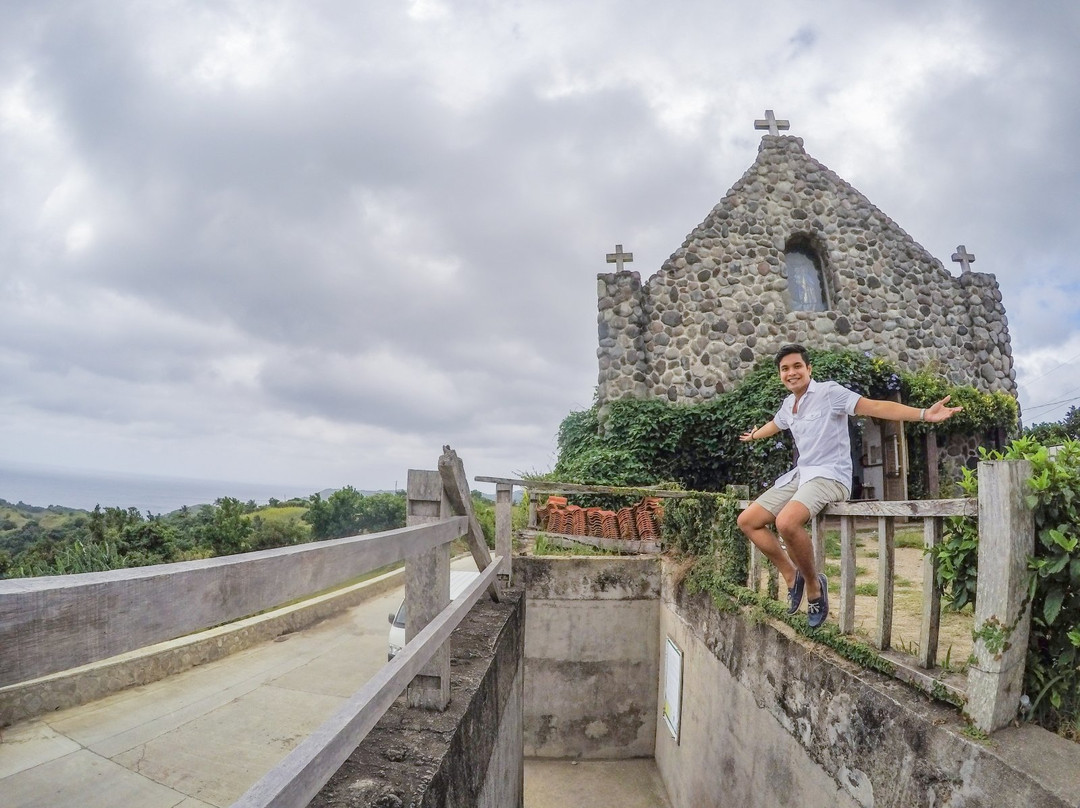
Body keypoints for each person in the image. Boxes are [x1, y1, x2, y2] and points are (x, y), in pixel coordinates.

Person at [737, 344, 962, 628]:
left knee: (786, 522)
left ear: (809, 369)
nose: (791, 372)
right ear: (780, 375)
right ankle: (792, 576)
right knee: (748, 521)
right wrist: (755, 435)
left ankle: (814, 588)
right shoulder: (788, 406)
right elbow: (776, 424)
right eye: (785, 369)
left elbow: (875, 406)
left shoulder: (830, 393)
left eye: (797, 366)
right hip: (801, 475)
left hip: (830, 475)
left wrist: (923, 414)